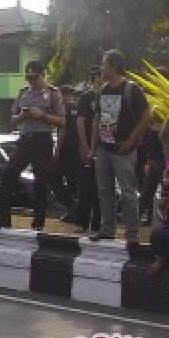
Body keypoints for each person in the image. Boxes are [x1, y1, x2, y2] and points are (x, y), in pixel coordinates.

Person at [0, 60, 64, 231]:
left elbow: (62, 121)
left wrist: (42, 116)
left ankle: (38, 222)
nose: (31, 81)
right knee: (8, 174)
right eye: (28, 77)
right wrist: (22, 117)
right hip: (25, 140)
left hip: (42, 140)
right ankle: (3, 220)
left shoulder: (53, 93)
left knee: (40, 182)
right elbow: (12, 119)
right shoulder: (23, 93)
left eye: (34, 77)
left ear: (42, 75)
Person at [90, 49, 150, 242]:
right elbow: (99, 120)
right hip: (104, 147)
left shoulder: (131, 88)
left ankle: (132, 234)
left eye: (104, 64)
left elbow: (146, 116)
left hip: (124, 149)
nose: (101, 67)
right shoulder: (104, 90)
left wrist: (131, 141)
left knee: (128, 192)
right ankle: (107, 229)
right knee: (104, 189)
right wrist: (93, 148)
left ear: (114, 66)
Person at [70, 70, 102, 232]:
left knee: (100, 187)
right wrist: (84, 145)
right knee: (85, 186)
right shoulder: (86, 97)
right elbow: (80, 121)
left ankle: (97, 222)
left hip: (102, 147)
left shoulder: (107, 95)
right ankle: (81, 221)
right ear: (95, 77)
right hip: (88, 145)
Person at [52, 86, 80, 215]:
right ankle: (73, 209)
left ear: (64, 95)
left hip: (66, 149)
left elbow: (63, 130)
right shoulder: (78, 108)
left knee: (54, 177)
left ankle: (71, 206)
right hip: (77, 150)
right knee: (72, 180)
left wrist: (57, 150)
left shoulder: (64, 109)